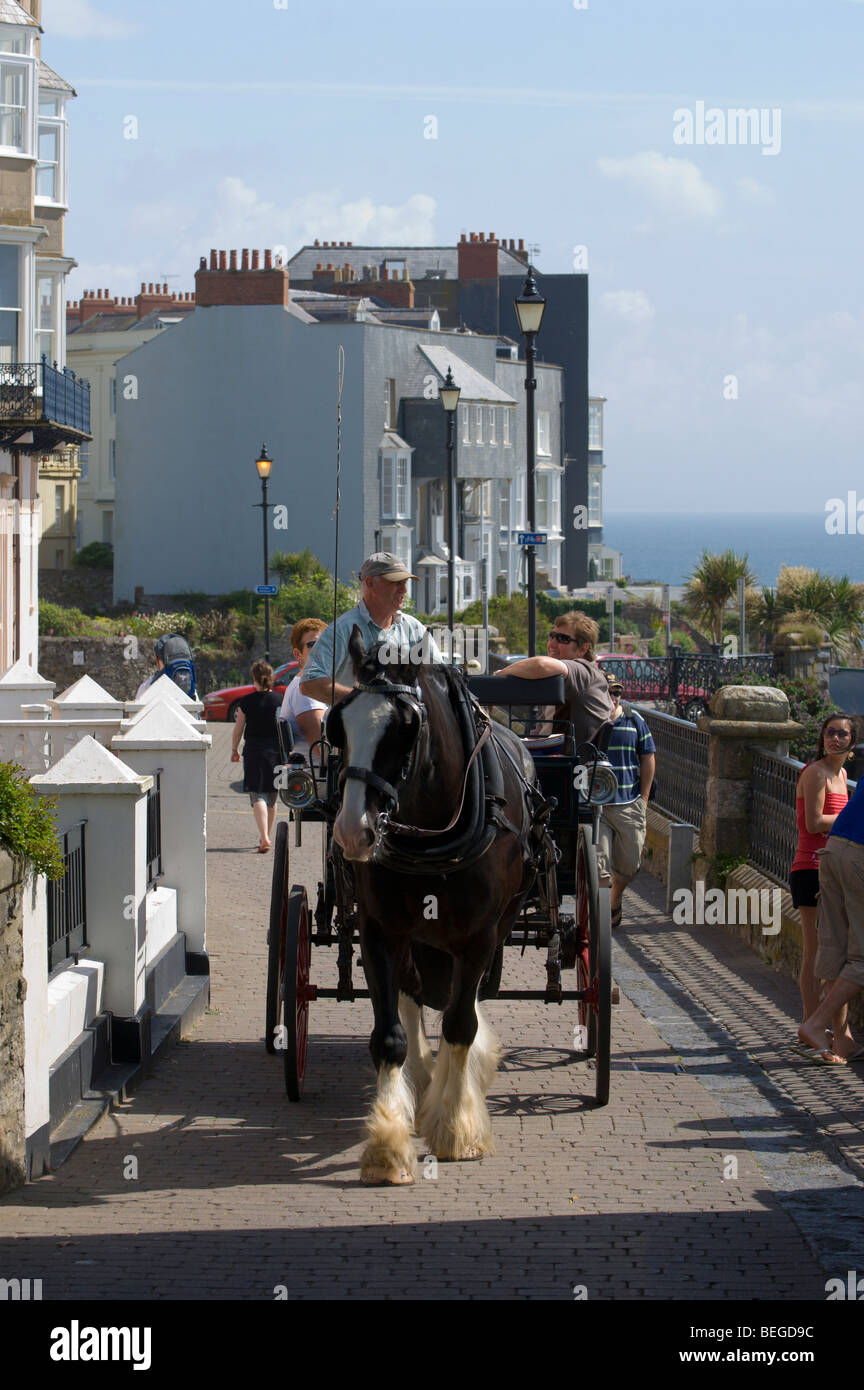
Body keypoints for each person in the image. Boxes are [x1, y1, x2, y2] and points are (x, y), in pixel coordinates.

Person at [300, 552, 442, 706]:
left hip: (411, 728)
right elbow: (309, 683)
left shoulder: (414, 628)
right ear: (369, 583)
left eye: (405, 582)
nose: (404, 590)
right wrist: (363, 702)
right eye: (395, 582)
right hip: (356, 729)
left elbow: (440, 678)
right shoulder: (341, 631)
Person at [789, 713, 854, 1029]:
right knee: (815, 953)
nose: (835, 738)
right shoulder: (816, 774)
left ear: (851, 744)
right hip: (810, 869)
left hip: (831, 869)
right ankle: (810, 1023)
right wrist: (850, 819)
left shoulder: (840, 776)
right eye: (830, 732)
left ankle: (821, 1026)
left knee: (831, 950)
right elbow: (814, 823)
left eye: (842, 734)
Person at [797, 761, 864, 1065]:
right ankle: (816, 1023)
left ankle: (842, 1040)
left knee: (834, 946)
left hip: (834, 849)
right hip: (859, 856)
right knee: (862, 957)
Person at [495, 611, 614, 752]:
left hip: (571, 766)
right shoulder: (558, 679)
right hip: (551, 759)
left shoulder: (584, 671)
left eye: (562, 639)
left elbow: (541, 665)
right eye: (551, 636)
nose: (552, 643)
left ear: (583, 648)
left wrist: (499, 676)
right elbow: (541, 731)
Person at [596, 674, 656, 928]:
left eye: (616, 693)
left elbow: (648, 757)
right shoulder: (591, 722)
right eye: (608, 692)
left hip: (628, 803)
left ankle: (615, 897)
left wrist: (643, 799)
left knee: (630, 866)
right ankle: (599, 920)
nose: (613, 698)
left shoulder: (634, 721)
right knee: (599, 866)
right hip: (596, 806)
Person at [231, 660, 283, 852]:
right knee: (272, 796)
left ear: (255, 678)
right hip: (276, 752)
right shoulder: (280, 700)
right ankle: (265, 836)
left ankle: (264, 837)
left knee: (257, 795)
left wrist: (234, 749)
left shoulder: (246, 701)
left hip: (253, 751)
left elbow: (238, 729)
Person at [279, 618, 328, 760]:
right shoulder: (305, 691)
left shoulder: (313, 685)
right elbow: (323, 750)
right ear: (298, 654)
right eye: (312, 644)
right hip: (318, 778)